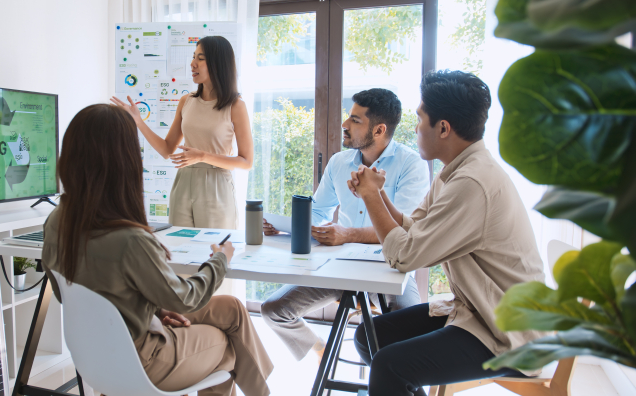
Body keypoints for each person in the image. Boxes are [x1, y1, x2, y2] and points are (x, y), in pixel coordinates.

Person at [41, 104, 273, 396]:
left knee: (233, 309)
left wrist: (155, 309)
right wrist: (219, 260)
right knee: (227, 347)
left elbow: (74, 296)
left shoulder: (56, 222)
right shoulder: (129, 239)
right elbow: (186, 298)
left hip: (96, 356)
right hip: (143, 360)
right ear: (124, 162)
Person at [349, 70, 546, 396]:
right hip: (476, 311)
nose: (414, 129)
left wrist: (370, 197)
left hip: (506, 332)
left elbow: (406, 256)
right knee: (369, 336)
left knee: (389, 364)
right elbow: (415, 228)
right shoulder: (455, 170)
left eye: (419, 119)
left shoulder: (472, 183)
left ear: (443, 128)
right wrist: (379, 194)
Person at [260, 88, 429, 362]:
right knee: (274, 309)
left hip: (390, 268)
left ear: (379, 130)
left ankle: (391, 379)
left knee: (412, 334)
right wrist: (288, 226)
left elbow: (406, 231)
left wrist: (347, 234)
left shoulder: (411, 165)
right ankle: (319, 350)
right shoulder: (339, 162)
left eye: (355, 120)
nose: (344, 125)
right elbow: (318, 211)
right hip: (339, 266)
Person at [111, 35, 252, 229]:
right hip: (183, 183)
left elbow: (246, 162)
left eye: (200, 58)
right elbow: (167, 149)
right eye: (194, 57)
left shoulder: (235, 105)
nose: (193, 64)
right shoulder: (186, 101)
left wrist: (202, 156)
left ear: (218, 63)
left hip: (216, 185)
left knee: (213, 249)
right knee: (180, 248)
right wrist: (138, 121)